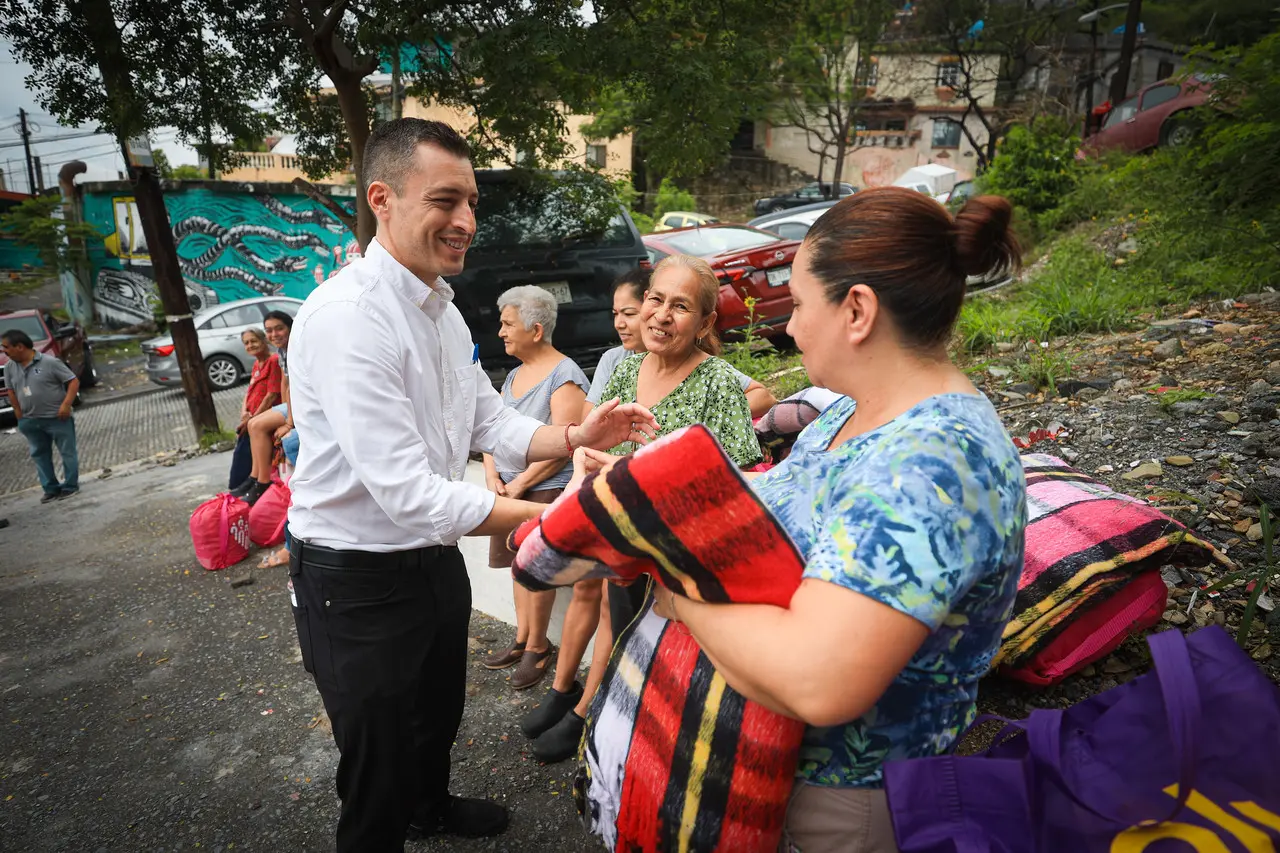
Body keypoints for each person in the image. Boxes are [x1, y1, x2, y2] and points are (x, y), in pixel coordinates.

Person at [581, 188, 1027, 852]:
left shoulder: (931, 464)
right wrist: (646, 492)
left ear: (857, 310)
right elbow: (782, 511)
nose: (788, 326)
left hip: (842, 801)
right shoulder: (852, 412)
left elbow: (818, 679)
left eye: (796, 303)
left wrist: (682, 593)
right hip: (766, 767)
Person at [283, 117, 657, 853]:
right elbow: (411, 494)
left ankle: (431, 806)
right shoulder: (349, 319)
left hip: (429, 561)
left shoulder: (443, 310)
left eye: (472, 203)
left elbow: (492, 421)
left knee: (436, 712)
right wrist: (565, 516)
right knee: (376, 758)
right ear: (382, 199)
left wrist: (579, 436)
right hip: (353, 578)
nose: (466, 222)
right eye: (446, 201)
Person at [520, 254, 762, 763]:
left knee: (665, 669)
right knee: (620, 630)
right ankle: (594, 719)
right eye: (655, 299)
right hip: (622, 544)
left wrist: (640, 474)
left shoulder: (717, 381)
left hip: (679, 564)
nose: (660, 315)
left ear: (705, 323)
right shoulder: (626, 365)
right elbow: (593, 442)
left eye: (680, 306)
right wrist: (590, 459)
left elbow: (739, 489)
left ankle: (639, 752)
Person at [480, 285, 589, 691]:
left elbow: (564, 444)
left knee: (535, 569)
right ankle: (523, 638)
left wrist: (521, 482)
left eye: (508, 324)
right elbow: (491, 428)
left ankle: (539, 647)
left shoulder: (565, 376)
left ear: (536, 329)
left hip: (545, 487)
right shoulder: (512, 374)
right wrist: (493, 475)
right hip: (509, 488)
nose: (501, 332)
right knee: (515, 564)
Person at [2, 329, 80, 503]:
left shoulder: (50, 362)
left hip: (57, 418)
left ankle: (70, 486)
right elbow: (11, 391)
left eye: (6, 347)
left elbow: (73, 381)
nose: (4, 351)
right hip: (30, 420)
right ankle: (51, 489)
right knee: (39, 454)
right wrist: (19, 415)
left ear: (20, 346)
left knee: (67, 452)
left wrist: (66, 405)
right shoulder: (9, 367)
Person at [232, 310, 294, 505]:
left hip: (303, 406)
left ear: (290, 328)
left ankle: (263, 482)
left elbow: (286, 389)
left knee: (257, 426)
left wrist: (289, 423)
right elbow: (285, 384)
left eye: (279, 329)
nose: (274, 334)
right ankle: (254, 477)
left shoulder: (294, 349)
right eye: (269, 330)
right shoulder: (282, 352)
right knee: (252, 425)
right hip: (291, 405)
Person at [228, 327, 281, 491]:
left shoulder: (273, 361)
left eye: (254, 341)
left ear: (264, 341)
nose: (250, 345)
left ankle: (254, 483)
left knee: (247, 440)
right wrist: (244, 412)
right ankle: (247, 482)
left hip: (265, 415)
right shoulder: (257, 364)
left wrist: (252, 418)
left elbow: (272, 395)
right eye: (246, 343)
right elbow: (249, 391)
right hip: (252, 416)